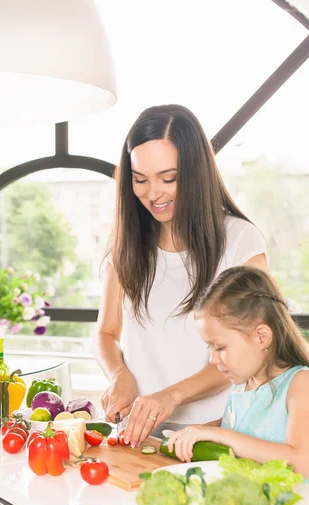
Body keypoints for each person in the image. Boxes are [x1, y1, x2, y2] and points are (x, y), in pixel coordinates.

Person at [94, 104, 268, 447]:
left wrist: (169, 397)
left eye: (168, 179)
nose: (153, 193)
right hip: (138, 433)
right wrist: (120, 376)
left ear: (196, 172)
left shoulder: (240, 242)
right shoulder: (124, 242)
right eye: (140, 179)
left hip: (214, 433)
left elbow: (244, 351)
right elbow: (106, 331)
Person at [167, 266, 309, 477]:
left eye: (220, 348)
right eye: (210, 348)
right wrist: (203, 431)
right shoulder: (243, 385)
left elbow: (301, 462)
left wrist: (219, 434)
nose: (213, 360)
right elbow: (247, 428)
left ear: (261, 337)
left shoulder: (300, 383)